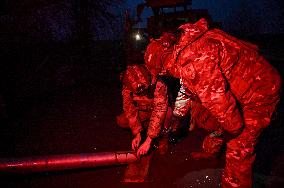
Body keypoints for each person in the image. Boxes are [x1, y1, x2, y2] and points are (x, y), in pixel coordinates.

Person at [146, 18, 282, 187]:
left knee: (238, 147)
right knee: (214, 116)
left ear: (165, 63)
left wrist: (232, 131)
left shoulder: (193, 59)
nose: (167, 74)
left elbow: (220, 104)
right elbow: (187, 89)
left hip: (260, 90)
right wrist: (176, 118)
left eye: (163, 71)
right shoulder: (186, 43)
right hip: (245, 83)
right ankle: (212, 151)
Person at [116, 64, 171, 157]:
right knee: (122, 120)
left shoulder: (158, 85)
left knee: (168, 114)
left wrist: (149, 140)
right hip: (145, 111)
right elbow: (129, 109)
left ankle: (164, 136)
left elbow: (159, 111)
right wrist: (137, 133)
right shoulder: (127, 87)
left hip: (160, 111)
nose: (142, 93)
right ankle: (147, 128)